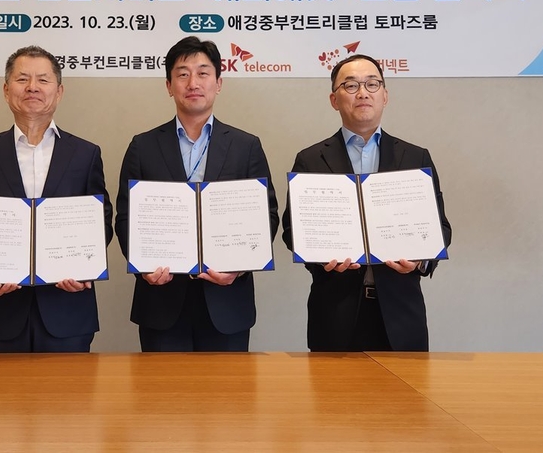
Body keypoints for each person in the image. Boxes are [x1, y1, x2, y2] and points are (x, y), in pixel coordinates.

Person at [115, 36, 279, 352]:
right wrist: (142, 265)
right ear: (169, 85)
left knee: (227, 385)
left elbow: (266, 215)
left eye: (203, 73)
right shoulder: (143, 146)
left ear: (218, 83)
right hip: (161, 300)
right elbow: (125, 217)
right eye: (183, 74)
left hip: (227, 300)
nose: (193, 83)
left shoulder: (246, 146)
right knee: (162, 384)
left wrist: (240, 266)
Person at [281, 54, 451, 352]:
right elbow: (291, 230)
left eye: (372, 84)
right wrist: (319, 256)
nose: (362, 93)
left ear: (385, 96)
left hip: (401, 315)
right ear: (334, 100)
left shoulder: (415, 157)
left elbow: (441, 228)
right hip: (334, 313)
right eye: (350, 85)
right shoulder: (310, 159)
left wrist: (421, 260)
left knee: (406, 386)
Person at [0, 45, 113, 353]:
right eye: (22, 79)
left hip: (67, 311)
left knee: (70, 387)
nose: (32, 87)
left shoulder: (85, 153)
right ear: (6, 90)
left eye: (43, 79)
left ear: (59, 91)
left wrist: (85, 266)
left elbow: (100, 221)